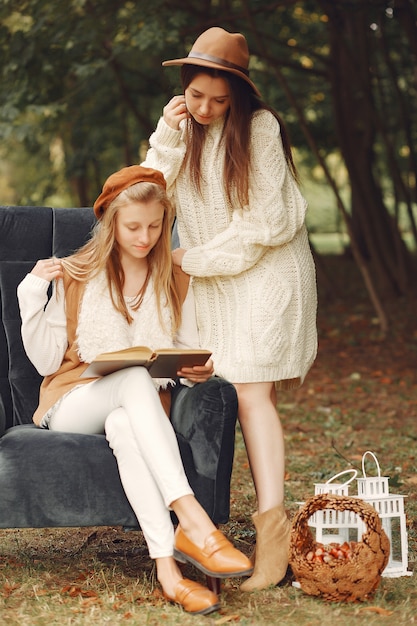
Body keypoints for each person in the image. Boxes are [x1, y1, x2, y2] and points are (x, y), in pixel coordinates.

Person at [17, 165, 253, 615]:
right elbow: (48, 363)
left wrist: (195, 370)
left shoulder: (173, 277)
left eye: (154, 225)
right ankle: (195, 522)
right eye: (132, 227)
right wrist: (33, 291)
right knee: (129, 377)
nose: (144, 237)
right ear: (110, 222)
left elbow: (184, 350)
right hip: (73, 400)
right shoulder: (77, 275)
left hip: (138, 408)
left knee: (126, 423)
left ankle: (168, 572)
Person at [142, 27, 318, 591]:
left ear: (239, 93)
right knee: (214, 387)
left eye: (220, 100)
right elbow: (146, 190)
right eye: (196, 96)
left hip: (266, 271)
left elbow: (268, 222)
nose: (207, 108)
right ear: (183, 88)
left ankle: (273, 536)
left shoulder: (259, 128)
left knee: (251, 392)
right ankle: (216, 524)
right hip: (218, 279)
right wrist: (168, 135)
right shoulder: (182, 129)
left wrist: (193, 257)